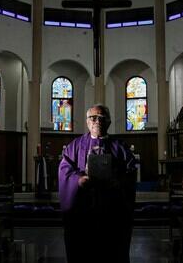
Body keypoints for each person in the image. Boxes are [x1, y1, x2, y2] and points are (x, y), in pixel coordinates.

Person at [58, 104, 137, 263]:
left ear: (109, 122)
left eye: (102, 118)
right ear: (87, 121)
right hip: (83, 210)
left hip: (112, 211)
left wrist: (118, 182)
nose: (97, 121)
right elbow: (64, 170)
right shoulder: (75, 145)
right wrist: (78, 181)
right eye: (93, 118)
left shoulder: (120, 147)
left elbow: (131, 171)